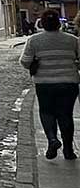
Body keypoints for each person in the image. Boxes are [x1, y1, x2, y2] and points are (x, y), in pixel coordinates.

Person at [21, 9, 80, 160]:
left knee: (47, 112)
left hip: (44, 83)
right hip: (68, 82)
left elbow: (25, 61)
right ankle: (68, 151)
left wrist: (36, 63)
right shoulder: (72, 40)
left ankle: (52, 140)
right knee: (65, 114)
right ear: (59, 24)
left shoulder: (34, 40)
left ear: (43, 24)